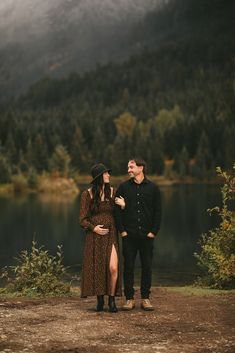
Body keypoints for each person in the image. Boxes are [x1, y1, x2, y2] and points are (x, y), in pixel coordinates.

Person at [115, 157, 161, 311]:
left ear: (141, 168)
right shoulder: (123, 187)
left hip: (147, 236)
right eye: (128, 167)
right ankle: (129, 299)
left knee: (147, 267)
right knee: (128, 267)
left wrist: (153, 232)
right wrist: (122, 231)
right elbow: (117, 212)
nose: (128, 170)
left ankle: (145, 299)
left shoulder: (153, 188)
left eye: (131, 167)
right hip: (129, 236)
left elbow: (158, 212)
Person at [79, 163, 124, 312]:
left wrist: (123, 206)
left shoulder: (113, 192)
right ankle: (100, 300)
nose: (109, 175)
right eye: (106, 174)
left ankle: (111, 299)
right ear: (99, 177)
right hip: (95, 237)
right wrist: (94, 228)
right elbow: (82, 219)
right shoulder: (87, 194)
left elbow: (121, 215)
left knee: (113, 267)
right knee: (98, 268)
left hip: (111, 234)